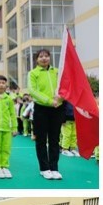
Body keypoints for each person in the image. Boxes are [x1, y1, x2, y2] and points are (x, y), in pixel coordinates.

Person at [28, 49, 66, 180]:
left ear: (50, 58)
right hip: (41, 109)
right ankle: (44, 168)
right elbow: (32, 91)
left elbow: (65, 86)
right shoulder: (33, 73)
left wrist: (60, 99)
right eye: (40, 56)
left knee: (55, 139)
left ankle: (54, 168)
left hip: (57, 108)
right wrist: (50, 101)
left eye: (46, 56)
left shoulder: (57, 72)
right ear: (36, 59)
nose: (44, 58)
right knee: (41, 140)